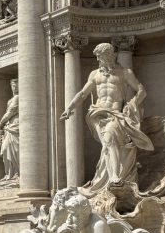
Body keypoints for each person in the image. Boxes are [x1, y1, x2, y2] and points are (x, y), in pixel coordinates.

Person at [61, 42, 153, 195]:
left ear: (111, 55)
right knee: (107, 144)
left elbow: (141, 91)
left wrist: (131, 104)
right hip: (97, 113)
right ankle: (110, 177)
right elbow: (83, 93)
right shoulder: (94, 74)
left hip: (115, 113)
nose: (99, 60)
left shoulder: (124, 72)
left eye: (102, 57)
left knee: (110, 139)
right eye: (98, 57)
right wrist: (70, 108)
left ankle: (114, 176)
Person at [0, 80, 20, 186]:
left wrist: (1, 123)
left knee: (15, 149)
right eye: (12, 86)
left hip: (16, 124)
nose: (14, 88)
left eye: (16, 86)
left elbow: (11, 112)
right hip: (9, 127)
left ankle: (17, 173)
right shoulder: (10, 100)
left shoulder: (17, 98)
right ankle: (10, 173)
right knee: (5, 149)